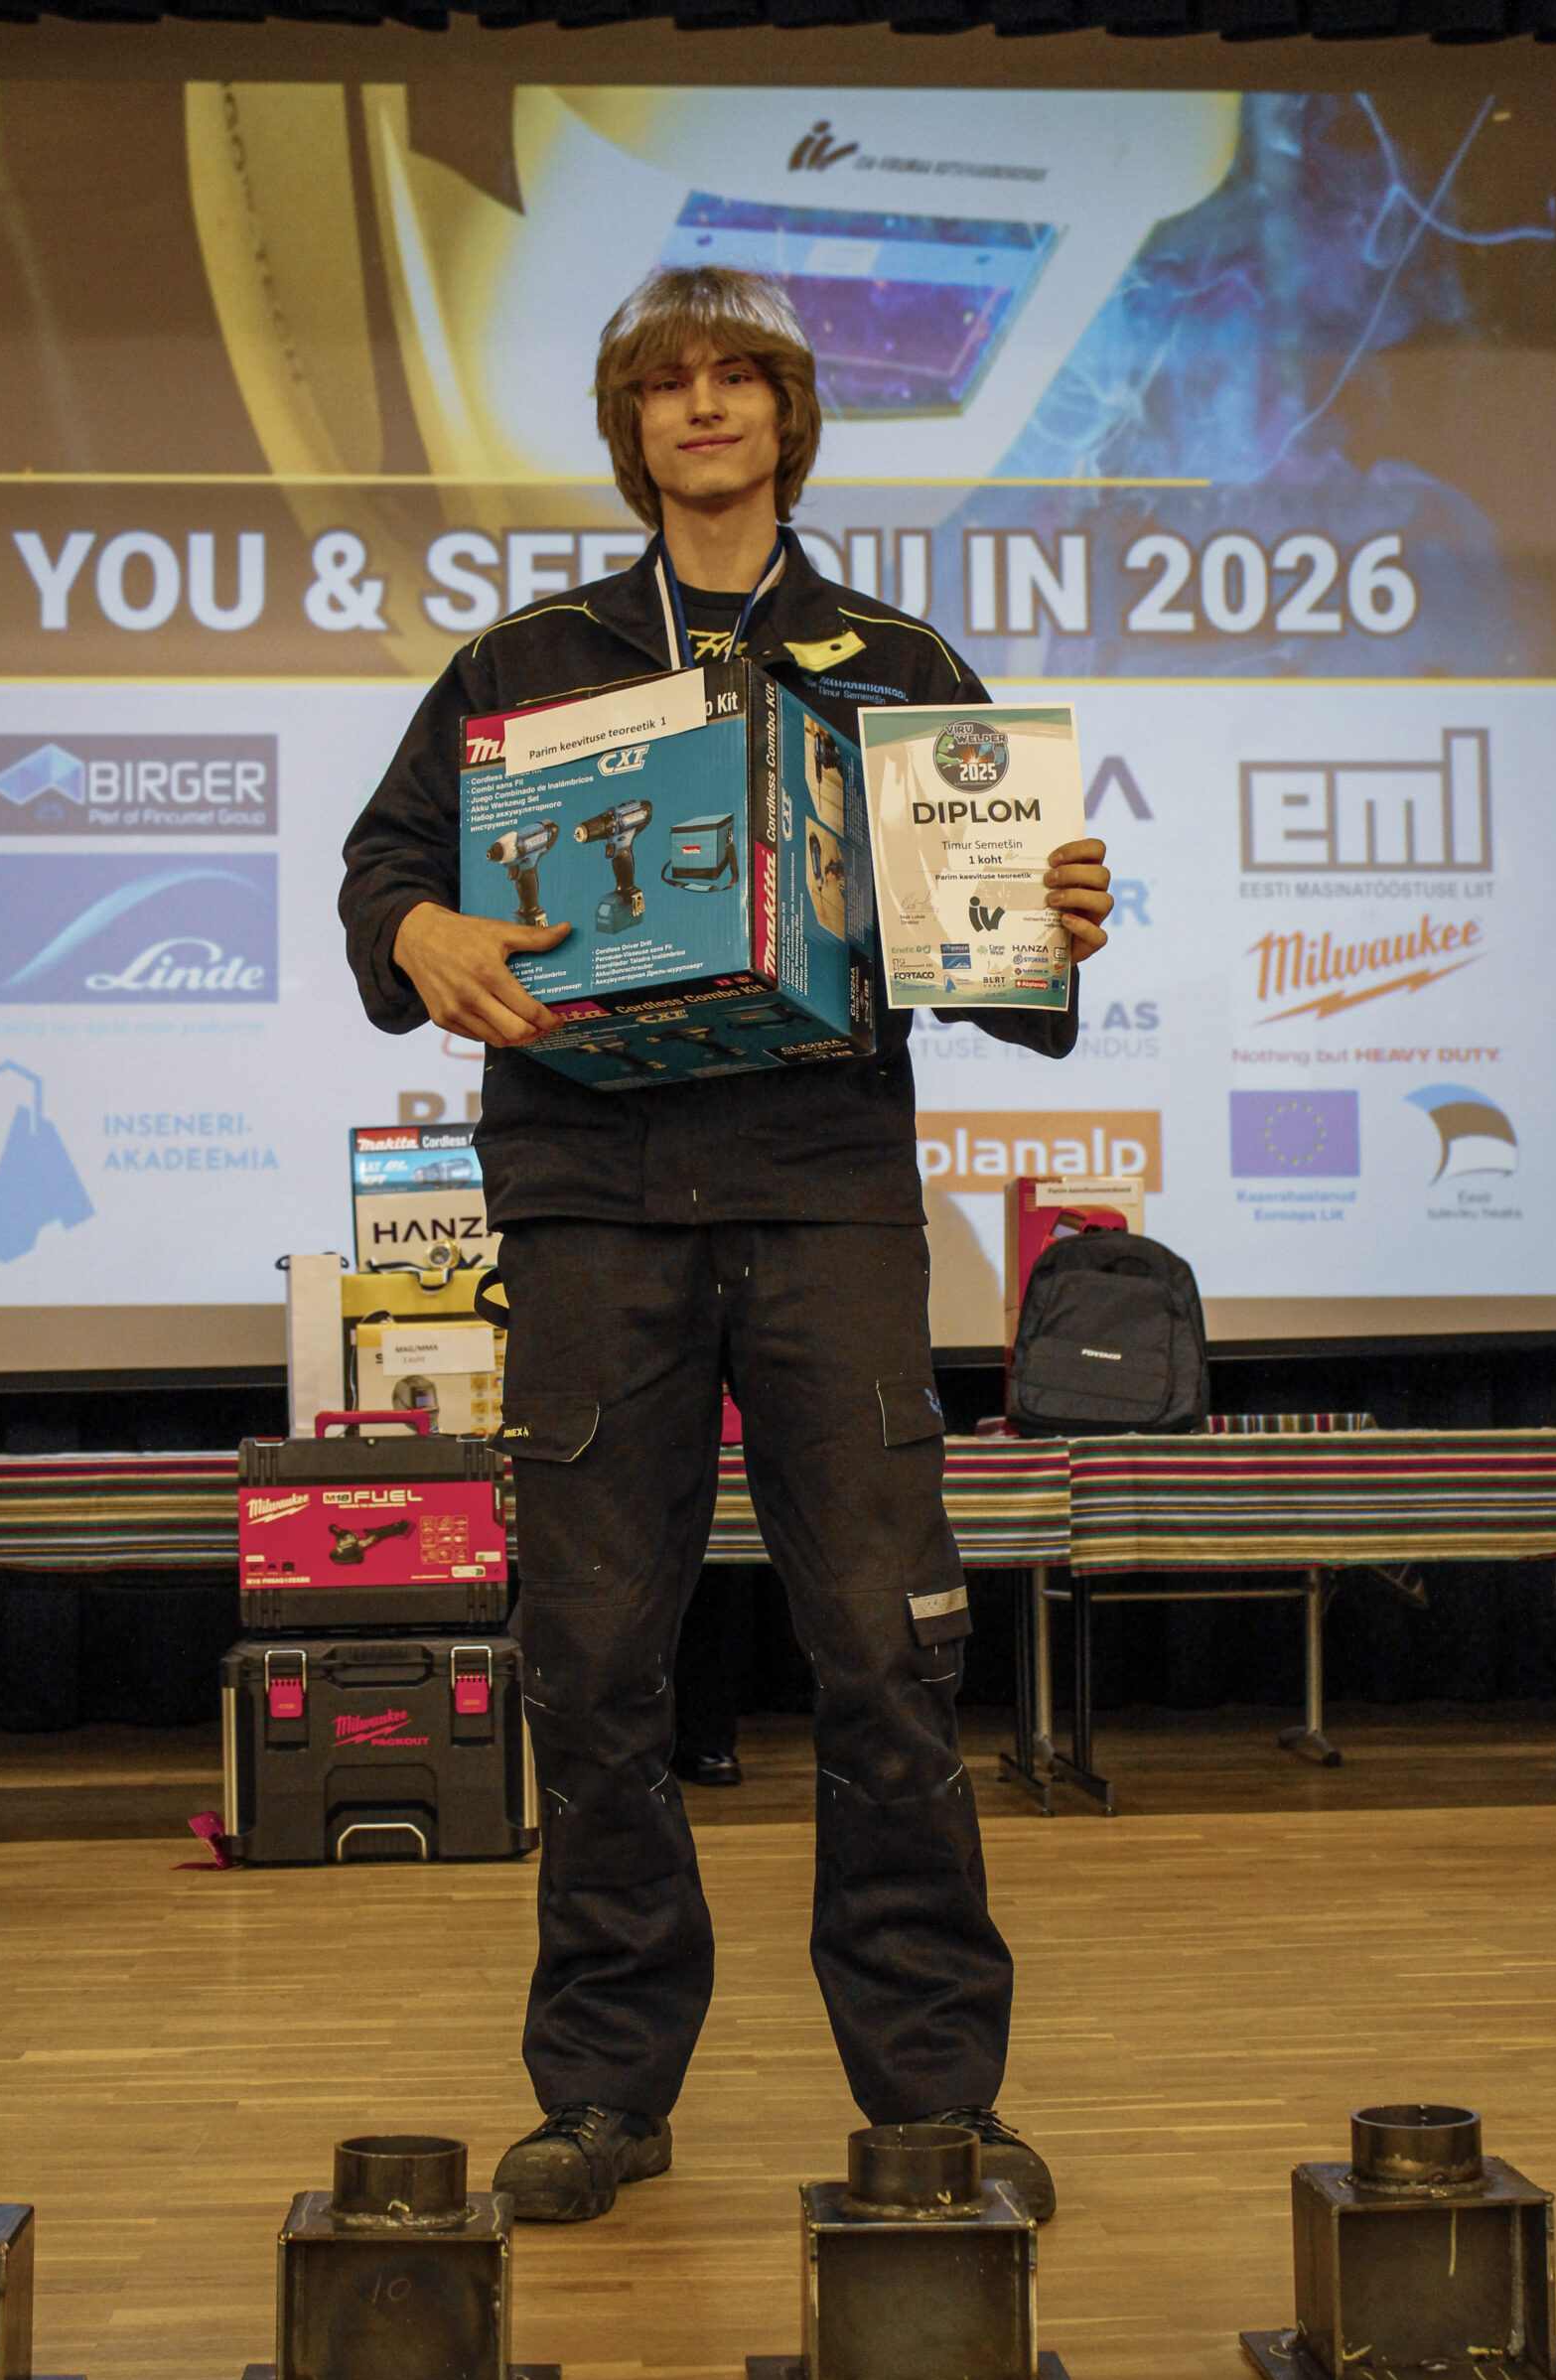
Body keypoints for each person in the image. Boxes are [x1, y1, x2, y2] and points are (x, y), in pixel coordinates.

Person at [340, 267, 1113, 2226]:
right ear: (631, 431)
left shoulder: (895, 661)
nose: (701, 406)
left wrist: (1042, 927)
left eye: (735, 377)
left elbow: (994, 958)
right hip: (590, 1200)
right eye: (665, 384)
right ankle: (602, 2090)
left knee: (885, 1650)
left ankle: (934, 2099)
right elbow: (386, 868)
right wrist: (416, 930)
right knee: (593, 1661)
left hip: (824, 1189)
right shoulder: (526, 660)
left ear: (784, 418)